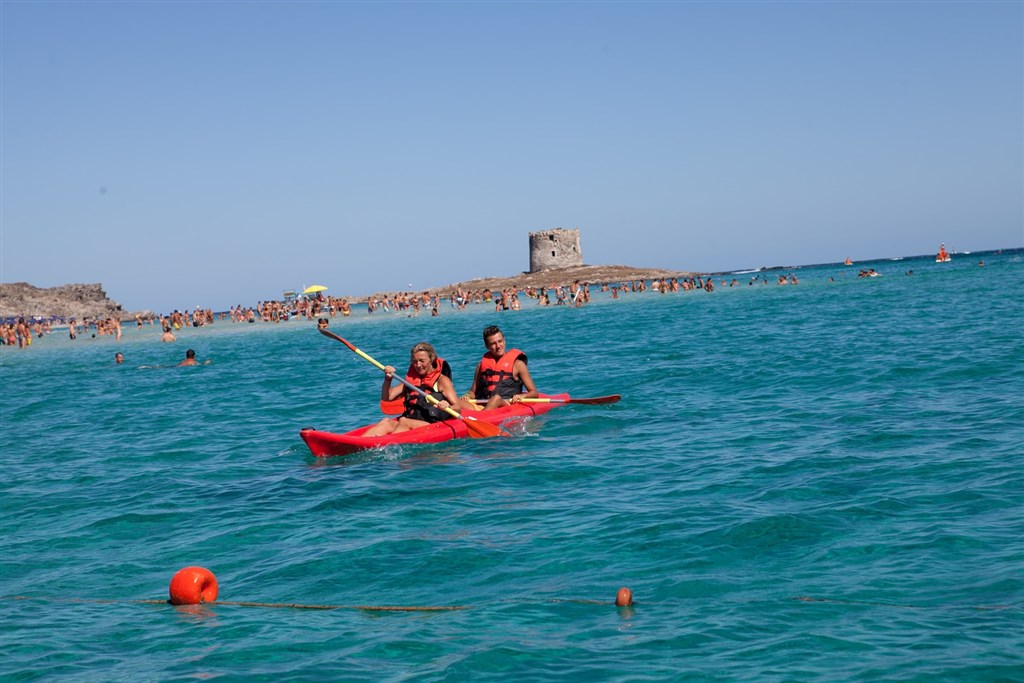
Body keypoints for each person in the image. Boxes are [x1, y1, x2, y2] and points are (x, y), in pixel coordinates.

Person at [362, 342, 460, 437]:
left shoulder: (442, 380)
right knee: (386, 422)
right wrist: (388, 379)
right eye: (414, 361)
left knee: (404, 421)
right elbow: (387, 397)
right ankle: (359, 444)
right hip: (409, 421)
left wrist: (447, 407)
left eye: (422, 361)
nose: (418, 365)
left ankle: (388, 446)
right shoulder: (411, 380)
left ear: (431, 359)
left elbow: (458, 408)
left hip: (431, 425)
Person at [460, 325, 539, 411]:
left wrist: (523, 396)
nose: (498, 346)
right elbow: (472, 392)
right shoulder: (480, 366)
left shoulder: (518, 365)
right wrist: (466, 396)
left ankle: (482, 418)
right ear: (487, 346)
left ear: (504, 341)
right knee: (455, 400)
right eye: (493, 343)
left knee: (496, 398)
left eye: (500, 341)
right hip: (482, 406)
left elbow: (534, 392)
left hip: (505, 405)